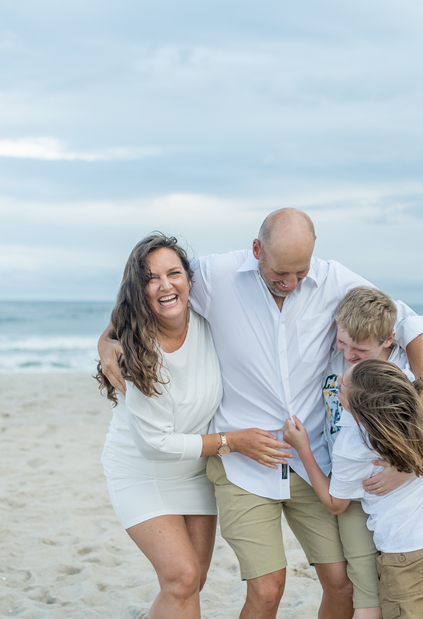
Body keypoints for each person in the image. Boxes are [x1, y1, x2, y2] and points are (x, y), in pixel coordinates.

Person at [98, 209, 423, 619]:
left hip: (311, 462)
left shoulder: (335, 281)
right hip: (242, 466)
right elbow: (146, 295)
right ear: (257, 250)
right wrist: (106, 341)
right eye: (280, 272)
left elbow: (405, 321)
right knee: (266, 590)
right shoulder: (214, 276)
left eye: (301, 271)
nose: (291, 282)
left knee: (342, 585)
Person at [96, 233, 292, 619]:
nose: (166, 285)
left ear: (189, 278)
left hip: (193, 473)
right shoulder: (136, 351)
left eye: (174, 273)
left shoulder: (210, 324)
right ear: (139, 291)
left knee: (193, 580)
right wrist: (231, 442)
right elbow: (155, 444)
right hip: (141, 471)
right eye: (152, 278)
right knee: (182, 578)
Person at [284, 359, 423, 619]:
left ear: (358, 416)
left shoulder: (351, 446)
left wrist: (303, 449)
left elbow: (335, 504)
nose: (338, 382)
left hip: (404, 556)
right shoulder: (417, 404)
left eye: (343, 387)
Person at [320, 286, 423, 618]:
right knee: (363, 587)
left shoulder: (405, 379)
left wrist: (407, 469)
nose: (349, 354)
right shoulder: (340, 358)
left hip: (396, 507)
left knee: (376, 599)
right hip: (351, 486)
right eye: (343, 343)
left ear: (388, 340)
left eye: (359, 350)